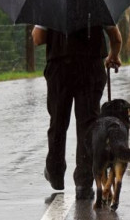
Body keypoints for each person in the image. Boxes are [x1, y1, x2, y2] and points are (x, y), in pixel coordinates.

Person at [32, 24, 122, 199]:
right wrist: (113, 55)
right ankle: (83, 183)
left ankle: (55, 172)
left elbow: (38, 38)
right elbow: (116, 37)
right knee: (88, 125)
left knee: (58, 122)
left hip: (59, 67)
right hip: (90, 67)